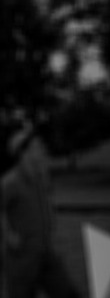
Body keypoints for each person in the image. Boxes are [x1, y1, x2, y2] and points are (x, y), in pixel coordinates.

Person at [1, 124, 80, 298]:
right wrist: (8, 234)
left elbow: (45, 208)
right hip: (22, 260)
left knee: (69, 293)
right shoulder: (10, 182)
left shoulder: (40, 178)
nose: (42, 150)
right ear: (24, 153)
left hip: (45, 253)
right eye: (37, 147)